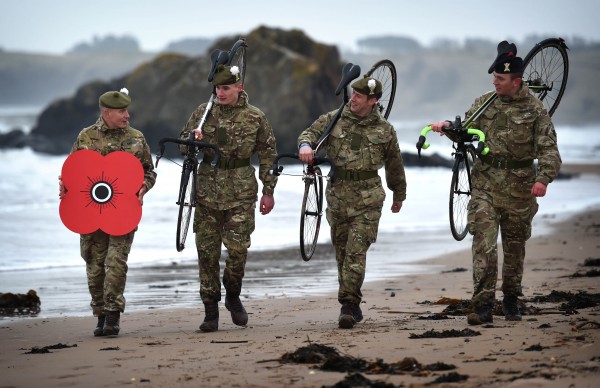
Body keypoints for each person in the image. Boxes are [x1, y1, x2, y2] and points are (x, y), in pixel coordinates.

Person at [428, 41, 562, 325]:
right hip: (485, 184)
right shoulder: (484, 102)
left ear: (516, 81)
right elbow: (466, 132)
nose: (495, 82)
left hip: (520, 189)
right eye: (494, 77)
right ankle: (482, 305)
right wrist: (448, 129)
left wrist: (543, 179)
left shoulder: (536, 111)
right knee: (484, 246)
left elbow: (550, 150)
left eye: (500, 79)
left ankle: (511, 299)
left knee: (514, 249)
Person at [298, 74, 406, 329]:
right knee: (343, 252)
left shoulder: (385, 130)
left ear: (373, 101)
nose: (353, 99)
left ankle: (347, 304)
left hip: (368, 197)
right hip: (337, 195)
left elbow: (395, 165)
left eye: (359, 96)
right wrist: (305, 146)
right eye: (353, 94)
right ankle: (353, 301)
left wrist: (398, 194)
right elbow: (309, 133)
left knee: (356, 251)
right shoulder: (333, 119)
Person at [180, 64, 278, 332]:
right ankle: (210, 309)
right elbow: (182, 145)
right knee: (207, 253)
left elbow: (268, 155)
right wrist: (192, 139)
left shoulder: (255, 117)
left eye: (226, 88)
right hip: (207, 192)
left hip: (241, 192)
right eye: (217, 88)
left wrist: (268, 191)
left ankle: (233, 295)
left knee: (238, 250)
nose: (220, 93)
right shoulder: (203, 113)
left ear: (239, 87)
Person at [58, 88, 157, 336]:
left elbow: (149, 171)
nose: (127, 116)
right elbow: (72, 171)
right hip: (90, 212)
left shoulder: (137, 139)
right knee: (94, 264)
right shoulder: (86, 137)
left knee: (116, 262)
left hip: (123, 212)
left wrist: (144, 187)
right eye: (122, 111)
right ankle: (100, 314)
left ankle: (113, 316)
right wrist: (64, 187)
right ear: (107, 112)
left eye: (127, 110)